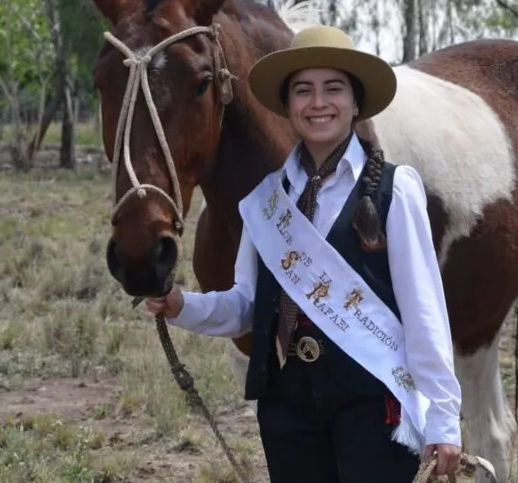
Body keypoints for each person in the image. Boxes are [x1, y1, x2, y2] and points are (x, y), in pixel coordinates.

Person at [145, 25, 462, 482]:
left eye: (333, 89)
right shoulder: (267, 201)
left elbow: (424, 311)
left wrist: (443, 419)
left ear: (356, 103)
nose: (318, 103)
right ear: (288, 106)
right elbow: (247, 307)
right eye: (303, 91)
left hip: (373, 400)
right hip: (288, 400)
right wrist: (181, 306)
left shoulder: (396, 189)